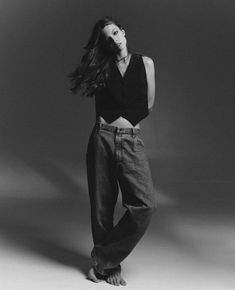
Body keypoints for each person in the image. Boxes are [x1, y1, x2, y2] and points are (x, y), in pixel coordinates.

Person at [68, 16, 156, 286]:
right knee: (102, 208)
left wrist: (128, 122)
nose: (114, 39)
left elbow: (149, 104)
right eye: (107, 38)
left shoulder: (146, 63)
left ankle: (102, 259)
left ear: (124, 32)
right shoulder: (102, 67)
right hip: (102, 139)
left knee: (144, 206)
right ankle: (108, 268)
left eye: (116, 32)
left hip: (132, 140)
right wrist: (98, 56)